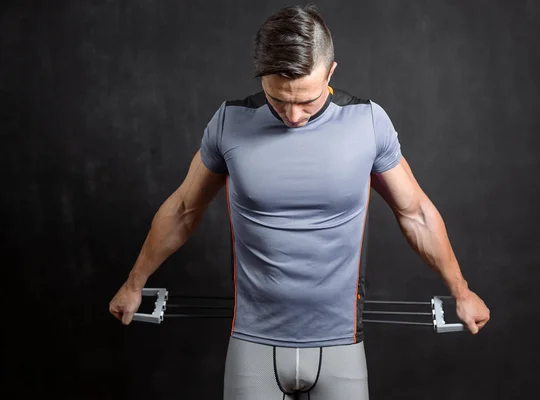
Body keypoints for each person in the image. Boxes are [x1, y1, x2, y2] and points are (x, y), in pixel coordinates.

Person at [109, 4, 490, 399]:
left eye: (306, 102)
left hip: (341, 342)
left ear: (330, 72)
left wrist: (461, 291)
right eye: (278, 100)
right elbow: (183, 210)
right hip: (253, 342)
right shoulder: (230, 121)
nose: (292, 116)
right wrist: (134, 283)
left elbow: (416, 213)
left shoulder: (367, 122)